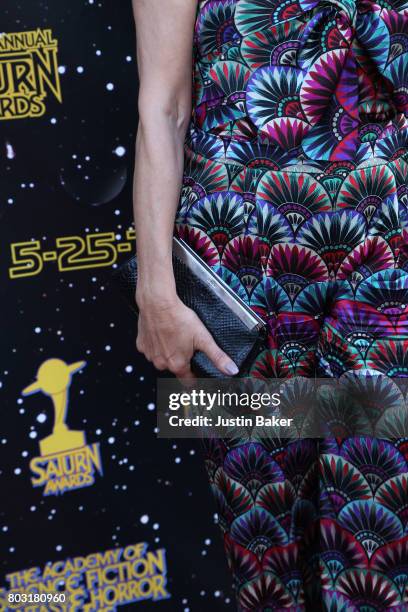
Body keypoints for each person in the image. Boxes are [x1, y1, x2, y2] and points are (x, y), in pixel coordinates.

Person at [132, 0, 408, 609]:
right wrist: (155, 287)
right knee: (263, 544)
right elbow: (162, 102)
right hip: (234, 270)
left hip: (386, 261)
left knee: (381, 531)